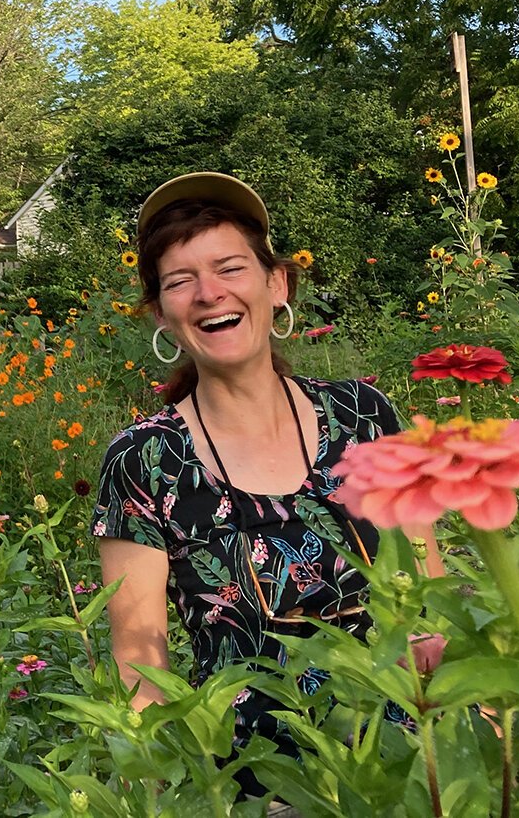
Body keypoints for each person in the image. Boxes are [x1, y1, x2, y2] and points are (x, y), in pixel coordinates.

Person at [93, 172, 441, 792]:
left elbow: (430, 587)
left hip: (415, 771)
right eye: (180, 281)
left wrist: (483, 723)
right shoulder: (145, 460)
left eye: (229, 268)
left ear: (276, 284)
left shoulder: (364, 416)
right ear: (162, 315)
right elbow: (140, 660)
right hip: (259, 788)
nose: (208, 293)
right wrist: (153, 792)